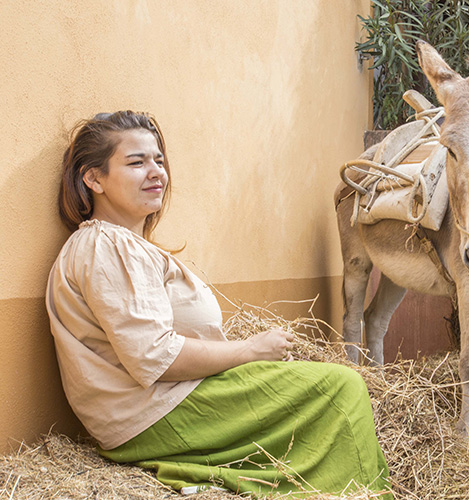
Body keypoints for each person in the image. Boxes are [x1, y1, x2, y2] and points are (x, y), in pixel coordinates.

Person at [46, 111, 392, 498]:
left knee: (331, 386)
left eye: (159, 160)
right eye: (136, 162)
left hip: (166, 403)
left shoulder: (120, 245)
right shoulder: (106, 245)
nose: (156, 172)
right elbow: (152, 357)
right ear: (93, 179)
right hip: (155, 414)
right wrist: (249, 350)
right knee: (341, 387)